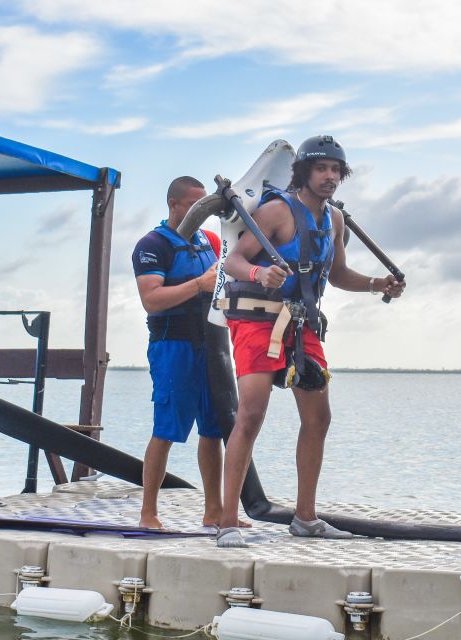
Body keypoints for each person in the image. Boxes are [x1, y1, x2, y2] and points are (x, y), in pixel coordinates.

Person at [215, 135, 406, 547]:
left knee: (319, 418)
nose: (331, 177)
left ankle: (305, 517)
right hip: (257, 320)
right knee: (251, 414)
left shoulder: (333, 220)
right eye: (322, 169)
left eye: (337, 170)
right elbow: (233, 260)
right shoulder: (276, 210)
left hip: (302, 325)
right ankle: (228, 520)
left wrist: (377, 284)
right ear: (303, 171)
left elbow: (337, 274)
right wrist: (258, 274)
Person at [132, 176, 236, 530]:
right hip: (172, 347)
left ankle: (215, 511)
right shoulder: (152, 245)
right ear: (174, 204)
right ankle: (148, 513)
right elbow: (151, 300)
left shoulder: (208, 240)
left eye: (204, 205)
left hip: (211, 345)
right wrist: (197, 285)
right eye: (194, 205)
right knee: (166, 430)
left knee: (212, 429)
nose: (201, 212)